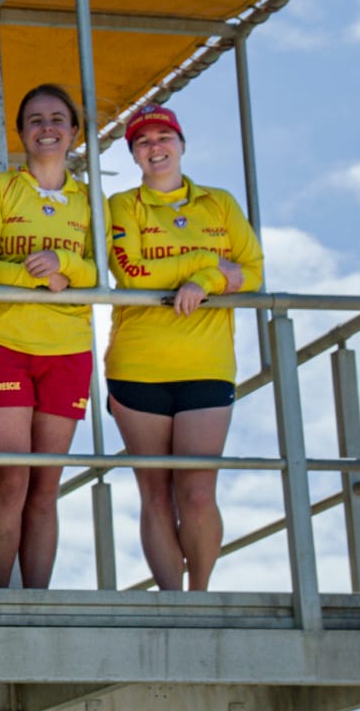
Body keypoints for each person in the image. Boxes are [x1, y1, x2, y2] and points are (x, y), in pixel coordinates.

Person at [106, 103, 263, 592]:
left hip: (207, 365)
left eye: (164, 137)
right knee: (155, 494)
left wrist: (210, 278)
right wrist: (206, 264)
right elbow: (131, 271)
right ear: (133, 154)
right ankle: (174, 600)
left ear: (182, 144)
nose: (156, 148)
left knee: (197, 492)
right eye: (144, 141)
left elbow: (253, 271)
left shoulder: (219, 203)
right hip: (138, 366)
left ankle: (201, 595)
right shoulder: (120, 207)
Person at [0, 84, 96, 589]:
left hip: (68, 349)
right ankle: (1, 597)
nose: (47, 128)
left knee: (45, 486)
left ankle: (37, 602)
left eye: (58, 119)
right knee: (12, 477)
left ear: (74, 133)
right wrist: (41, 278)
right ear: (19, 133)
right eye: (35, 120)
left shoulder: (92, 202)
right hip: (0, 343)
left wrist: (66, 265)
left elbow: (104, 271)